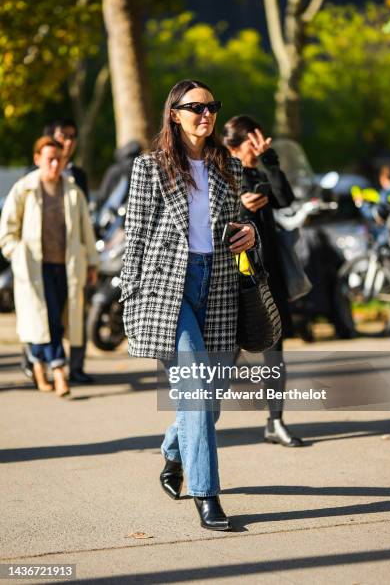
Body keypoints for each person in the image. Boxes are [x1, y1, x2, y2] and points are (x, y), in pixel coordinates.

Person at [120, 79, 256, 531]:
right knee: (197, 392)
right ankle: (207, 494)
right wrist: (130, 298)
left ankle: (174, 452)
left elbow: (239, 224)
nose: (206, 114)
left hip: (216, 287)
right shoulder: (150, 167)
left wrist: (250, 234)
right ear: (173, 113)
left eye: (212, 106)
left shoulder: (229, 167)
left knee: (208, 401)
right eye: (195, 107)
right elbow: (135, 236)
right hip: (166, 290)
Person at [223, 115, 304, 448]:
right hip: (232, 278)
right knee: (223, 358)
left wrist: (270, 160)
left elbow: (286, 198)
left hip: (267, 274)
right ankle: (191, 428)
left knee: (275, 352)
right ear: (234, 145)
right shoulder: (222, 176)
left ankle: (276, 421)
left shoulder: (259, 172)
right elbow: (212, 223)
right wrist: (239, 210)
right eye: (251, 144)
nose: (256, 149)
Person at [0, 136, 98, 397]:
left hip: (66, 268)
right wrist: (17, 253)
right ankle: (58, 372)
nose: (55, 164)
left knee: (51, 322)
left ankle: (38, 365)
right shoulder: (24, 190)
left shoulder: (73, 192)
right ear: (37, 159)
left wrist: (92, 263)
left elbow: (85, 232)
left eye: (59, 159)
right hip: (34, 269)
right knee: (49, 320)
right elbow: (7, 232)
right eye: (49, 159)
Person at [21, 118, 94, 384]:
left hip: (69, 260)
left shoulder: (77, 180)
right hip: (37, 262)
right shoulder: (29, 180)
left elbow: (86, 221)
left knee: (69, 315)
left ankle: (70, 366)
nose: (69, 142)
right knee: (44, 314)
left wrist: (91, 262)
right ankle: (51, 365)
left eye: (73, 136)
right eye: (64, 136)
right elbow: (11, 225)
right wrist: (17, 252)